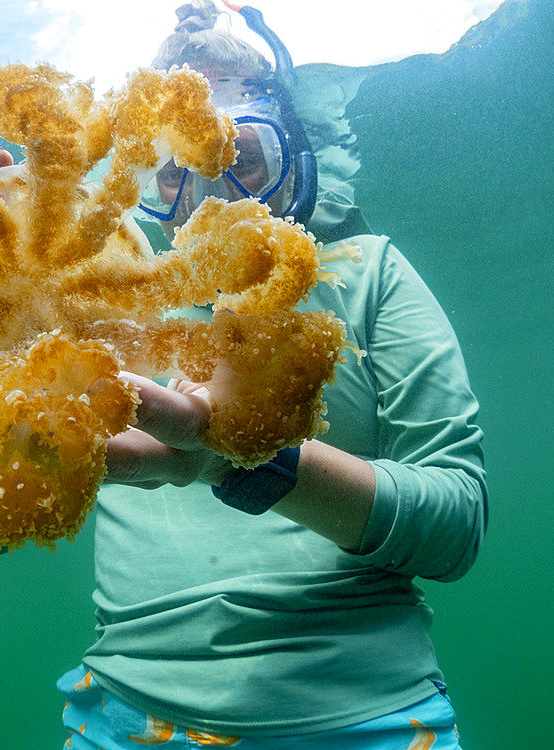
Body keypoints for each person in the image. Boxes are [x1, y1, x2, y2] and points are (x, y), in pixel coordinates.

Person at [55, 2, 487, 748]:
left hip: (369, 719)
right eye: (172, 173)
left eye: (241, 158)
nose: (209, 195)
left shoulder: (368, 275)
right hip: (120, 720)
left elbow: (455, 527)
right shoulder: (100, 302)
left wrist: (253, 459)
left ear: (299, 159)